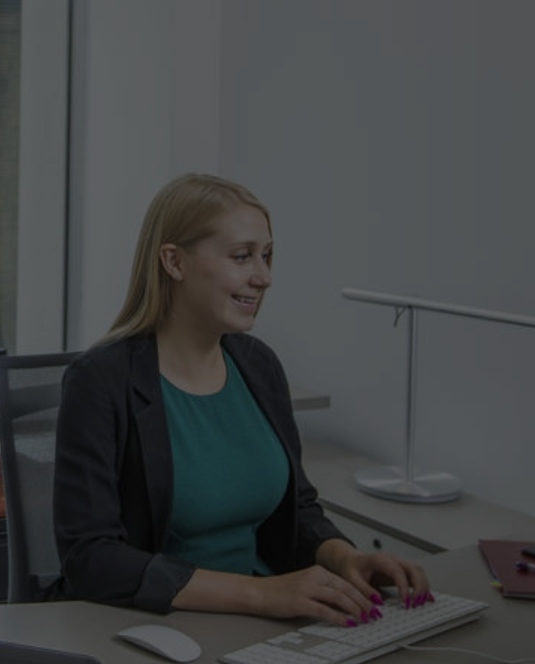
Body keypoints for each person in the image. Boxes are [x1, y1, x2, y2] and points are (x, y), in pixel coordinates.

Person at [54, 173, 431, 626]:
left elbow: (298, 510)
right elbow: (91, 559)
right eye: (242, 257)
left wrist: (343, 557)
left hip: (268, 618)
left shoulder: (258, 365)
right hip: (159, 629)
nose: (265, 277)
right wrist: (262, 594)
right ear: (174, 261)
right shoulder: (99, 381)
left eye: (267, 256)